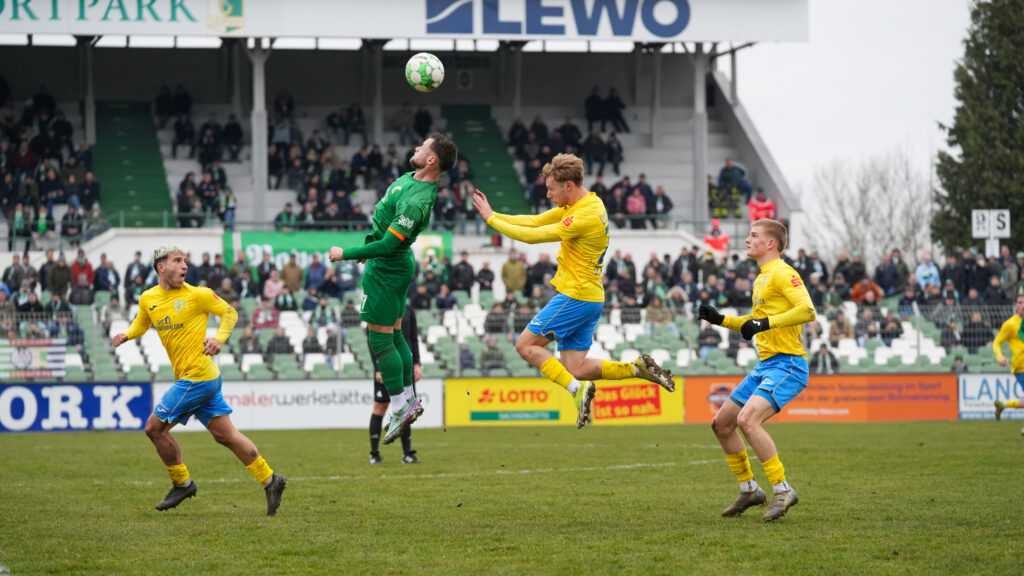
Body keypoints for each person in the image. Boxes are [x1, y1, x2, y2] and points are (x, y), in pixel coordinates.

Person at [473, 153, 673, 429]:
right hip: (590, 297)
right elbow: (534, 221)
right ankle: (636, 368)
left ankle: (576, 390)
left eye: (551, 188)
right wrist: (493, 214)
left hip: (576, 296)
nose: (548, 193)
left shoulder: (584, 216)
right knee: (574, 369)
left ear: (568, 185)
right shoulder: (587, 202)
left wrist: (490, 221)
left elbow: (533, 237)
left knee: (525, 345)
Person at [111, 245, 286, 515]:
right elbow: (143, 322)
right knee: (225, 435)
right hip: (203, 378)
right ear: (161, 267)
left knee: (153, 429)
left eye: (185, 261)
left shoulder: (198, 294)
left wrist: (218, 339)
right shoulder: (148, 298)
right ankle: (270, 479)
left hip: (198, 377)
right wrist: (127, 335)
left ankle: (182, 483)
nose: (184, 266)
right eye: (177, 261)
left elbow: (230, 313)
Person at [328, 134, 457, 445]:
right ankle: (410, 400)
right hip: (387, 265)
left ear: (431, 160)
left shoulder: (418, 201)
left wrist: (345, 253)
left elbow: (388, 243)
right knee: (396, 334)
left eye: (423, 146)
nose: (416, 147)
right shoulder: (409, 178)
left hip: (387, 269)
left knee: (380, 337)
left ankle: (398, 408)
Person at [698, 218, 815, 522]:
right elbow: (755, 320)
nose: (748, 240)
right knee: (722, 424)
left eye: (753, 235)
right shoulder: (763, 277)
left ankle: (783, 489)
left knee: (747, 419)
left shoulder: (783, 273)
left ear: (770, 243)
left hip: (788, 363)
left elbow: (808, 310)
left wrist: (763, 323)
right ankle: (750, 489)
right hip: (765, 366)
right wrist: (721, 319)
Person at [367, 302, 422, 465]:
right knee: (380, 407)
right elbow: (371, 340)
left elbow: (413, 338)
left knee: (408, 408)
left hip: (405, 367)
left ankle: (407, 454)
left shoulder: (409, 309)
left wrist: (417, 363)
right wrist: (378, 368)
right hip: (386, 365)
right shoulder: (379, 306)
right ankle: (374, 453)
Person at [993, 295, 1024, 421]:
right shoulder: (1010, 324)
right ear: (1016, 306)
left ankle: (1003, 405)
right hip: (1021, 366)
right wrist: (1000, 357)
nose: (1023, 305)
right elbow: (997, 343)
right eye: (1020, 302)